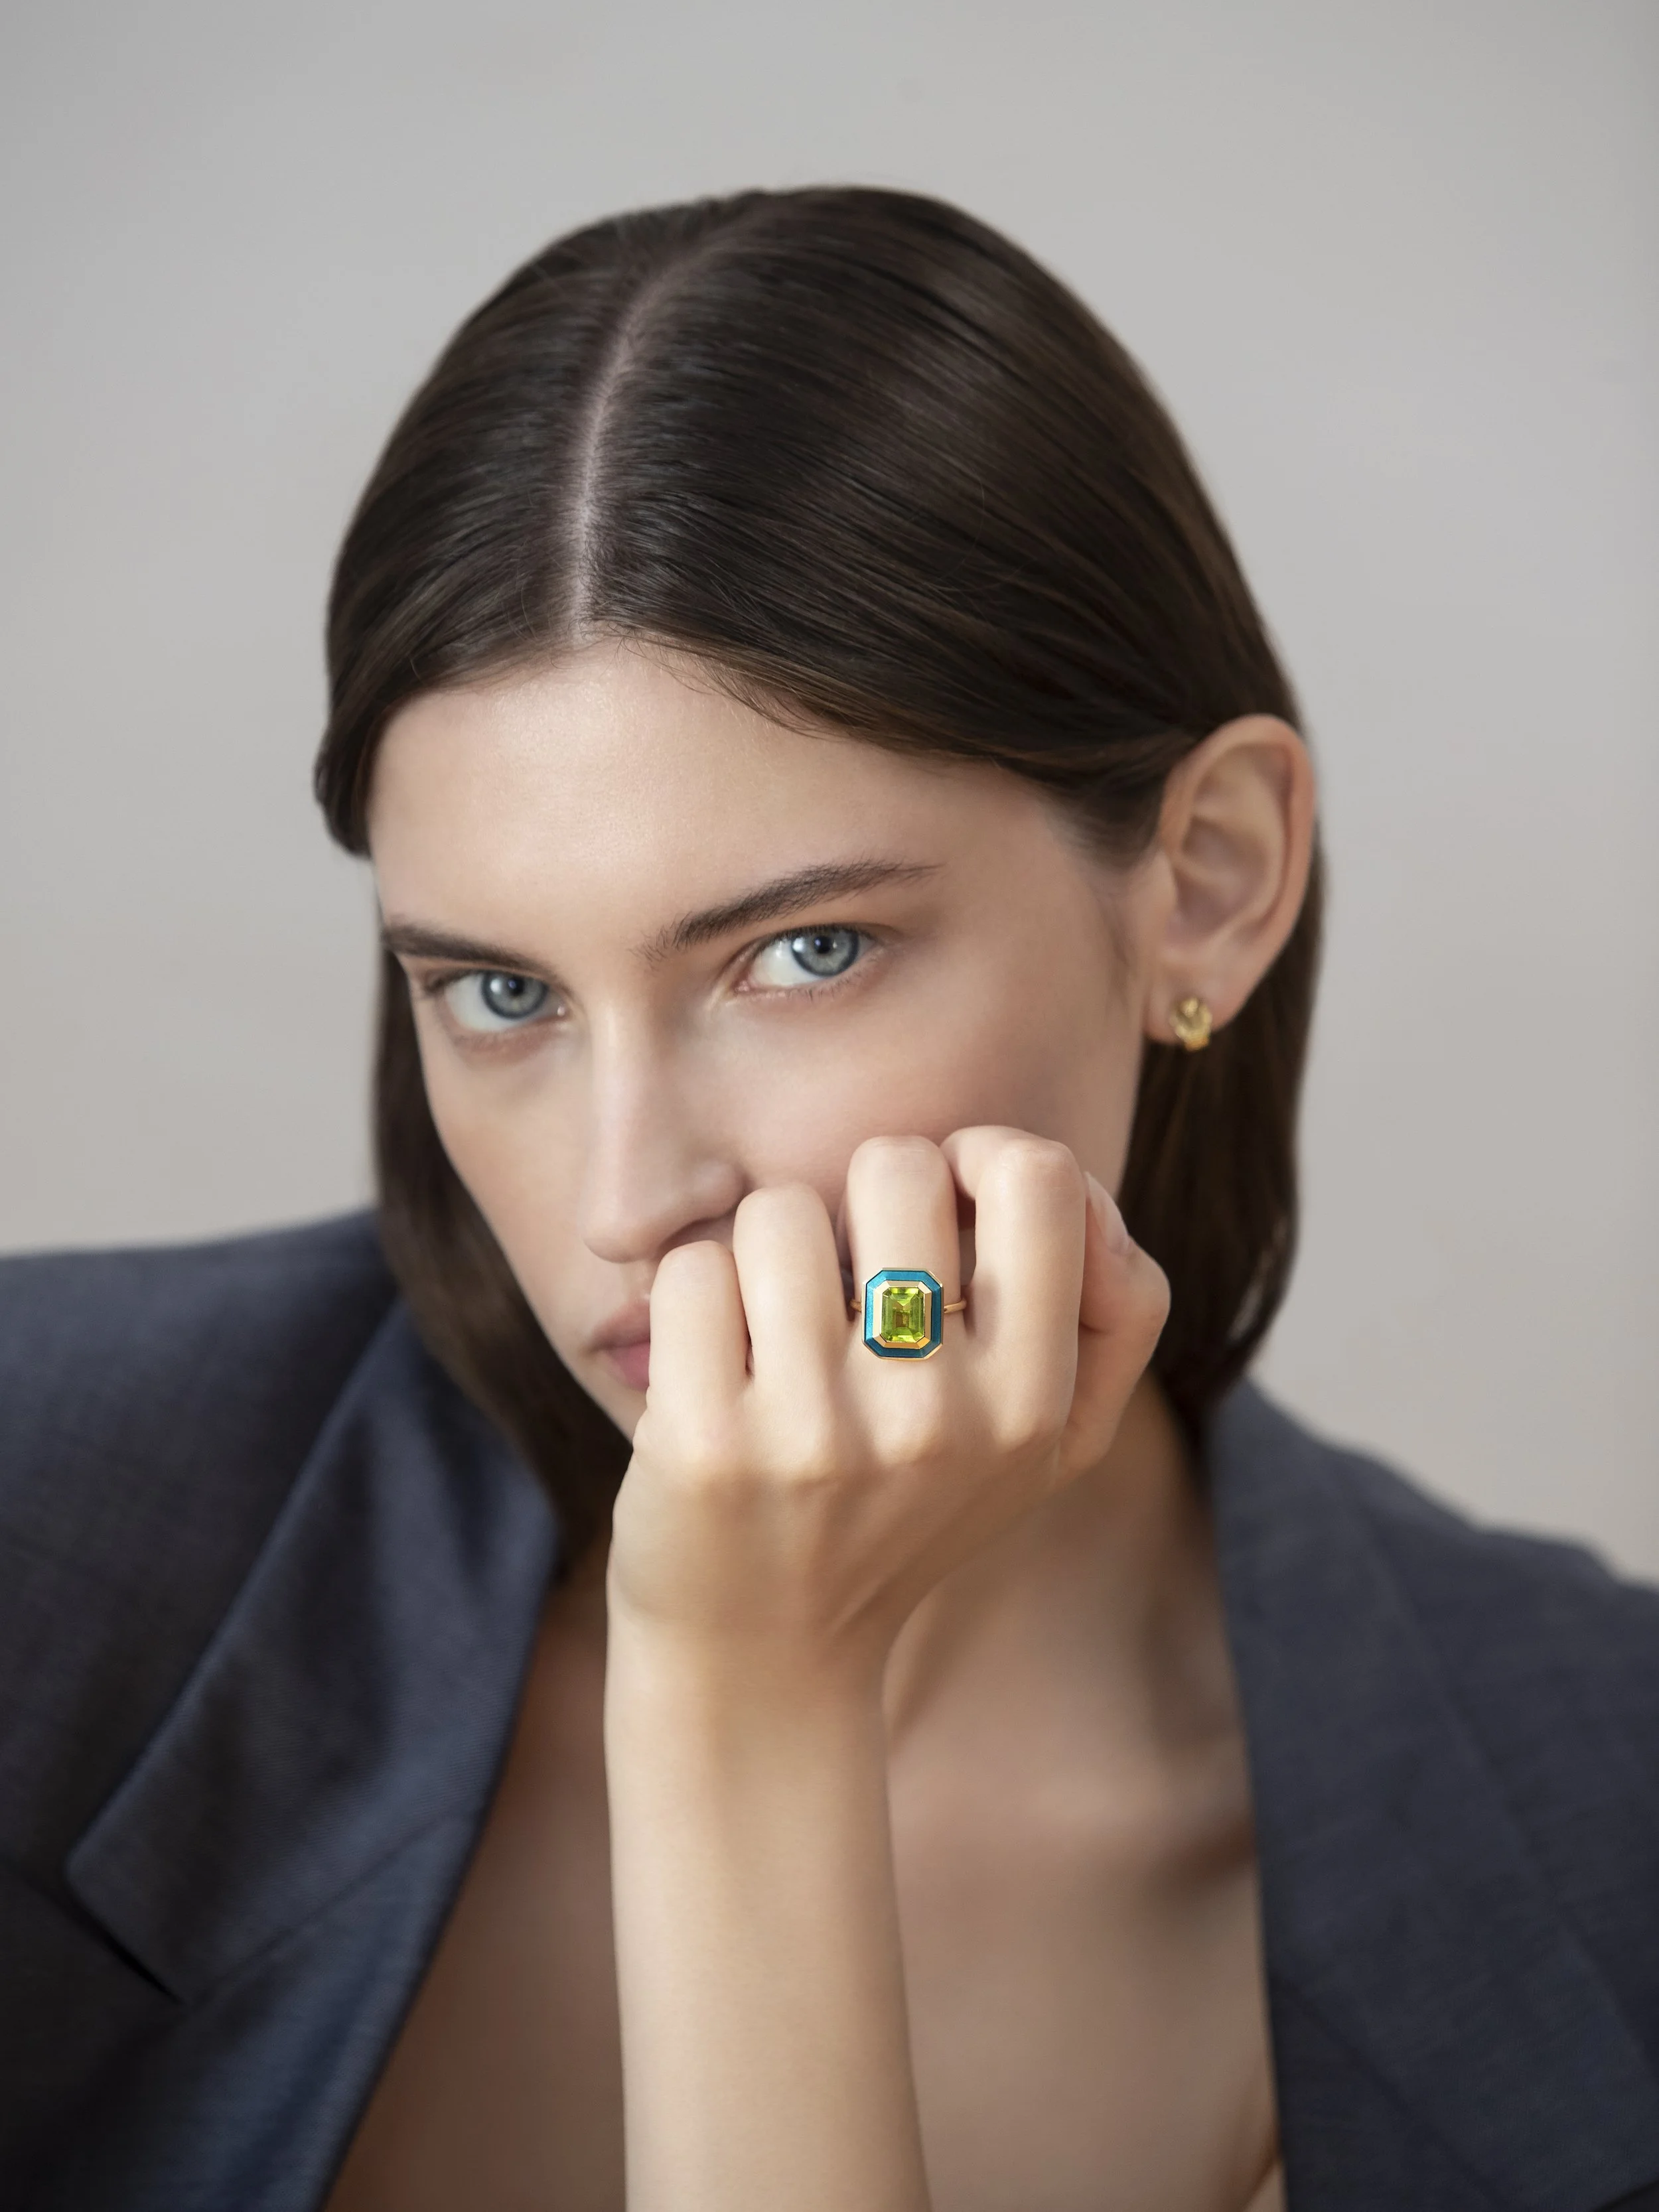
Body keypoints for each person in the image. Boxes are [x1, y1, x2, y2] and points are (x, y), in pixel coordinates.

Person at [3, 188, 1657, 2212]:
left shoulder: (1602, 1811)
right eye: (501, 993)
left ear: (1204, 876)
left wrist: (746, 1700)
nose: (628, 1199)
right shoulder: (42, 1533)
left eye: (799, 956)